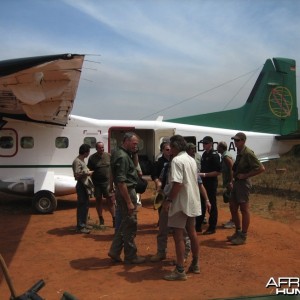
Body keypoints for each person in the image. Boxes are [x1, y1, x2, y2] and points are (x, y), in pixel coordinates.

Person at [163, 135, 201, 281]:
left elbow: (177, 183)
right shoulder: (191, 159)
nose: (170, 149)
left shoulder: (177, 161)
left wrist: (168, 200)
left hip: (179, 203)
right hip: (192, 201)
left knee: (178, 235)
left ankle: (180, 270)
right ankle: (195, 264)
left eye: (171, 147)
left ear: (175, 147)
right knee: (192, 232)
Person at [108, 132, 146, 264]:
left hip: (125, 191)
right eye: (134, 143)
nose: (136, 146)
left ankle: (115, 250)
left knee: (125, 222)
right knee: (130, 223)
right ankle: (130, 256)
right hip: (126, 192)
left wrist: (135, 152)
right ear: (126, 141)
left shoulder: (121, 153)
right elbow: (121, 181)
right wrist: (129, 202)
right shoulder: (122, 157)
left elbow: (134, 166)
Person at [228, 132, 265, 245]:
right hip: (237, 183)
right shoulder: (239, 152)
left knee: (244, 209)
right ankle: (238, 231)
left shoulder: (248, 153)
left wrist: (245, 175)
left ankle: (243, 235)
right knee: (233, 206)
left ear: (243, 141)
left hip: (243, 184)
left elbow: (261, 168)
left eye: (237, 140)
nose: (235, 142)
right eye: (234, 140)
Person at [87, 142, 115, 227]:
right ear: (96, 148)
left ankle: (114, 219)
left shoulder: (109, 156)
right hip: (97, 184)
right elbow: (89, 170)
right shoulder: (92, 158)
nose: (102, 149)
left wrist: (113, 182)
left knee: (110, 201)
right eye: (100, 148)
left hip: (107, 183)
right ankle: (101, 219)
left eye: (103, 147)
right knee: (98, 201)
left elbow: (113, 168)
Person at [197, 136, 221, 234]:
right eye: (203, 143)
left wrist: (205, 174)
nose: (204, 145)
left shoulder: (214, 155)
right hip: (204, 182)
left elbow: (218, 172)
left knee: (211, 204)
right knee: (201, 203)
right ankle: (198, 225)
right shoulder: (204, 154)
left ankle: (212, 227)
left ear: (211, 144)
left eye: (206, 143)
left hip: (211, 183)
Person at [72, 144, 94, 234]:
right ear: (85, 152)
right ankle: (80, 226)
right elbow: (77, 175)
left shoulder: (81, 160)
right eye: (88, 151)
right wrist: (87, 173)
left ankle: (84, 224)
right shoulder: (77, 161)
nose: (88, 153)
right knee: (82, 205)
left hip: (85, 185)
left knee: (85, 205)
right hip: (81, 185)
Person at [217, 141, 235, 229]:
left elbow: (232, 168)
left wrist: (231, 181)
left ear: (221, 148)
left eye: (218, 147)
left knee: (232, 203)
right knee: (231, 202)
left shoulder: (226, 156)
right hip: (228, 182)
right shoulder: (224, 155)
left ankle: (234, 221)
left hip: (230, 183)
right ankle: (233, 219)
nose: (217, 148)